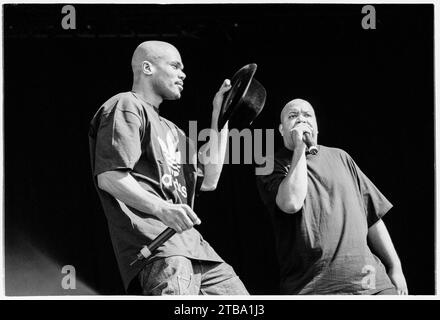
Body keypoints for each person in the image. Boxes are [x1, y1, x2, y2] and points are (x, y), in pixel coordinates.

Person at [88, 40, 249, 295]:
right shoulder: (126, 104)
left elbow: (210, 179)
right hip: (158, 248)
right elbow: (109, 176)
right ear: (147, 68)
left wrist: (222, 116)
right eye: (175, 65)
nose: (183, 73)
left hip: (197, 250)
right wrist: (162, 208)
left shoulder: (175, 131)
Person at [256, 98, 408, 295]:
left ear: (317, 127)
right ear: (282, 130)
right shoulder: (269, 164)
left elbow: (372, 216)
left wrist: (395, 266)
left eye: (307, 115)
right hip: (315, 288)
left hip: (373, 284)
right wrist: (300, 149)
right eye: (293, 116)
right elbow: (291, 203)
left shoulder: (341, 157)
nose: (301, 119)